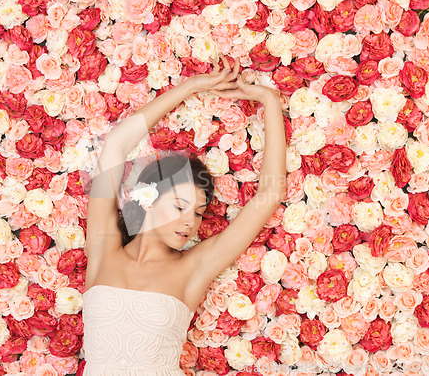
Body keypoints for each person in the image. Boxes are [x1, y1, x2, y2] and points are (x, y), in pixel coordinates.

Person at [81, 54, 287, 375]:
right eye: (179, 207)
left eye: (200, 214)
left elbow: (270, 195)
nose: (191, 223)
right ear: (147, 199)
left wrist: (269, 102)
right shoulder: (103, 248)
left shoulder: (194, 266)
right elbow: (115, 146)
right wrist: (191, 86)